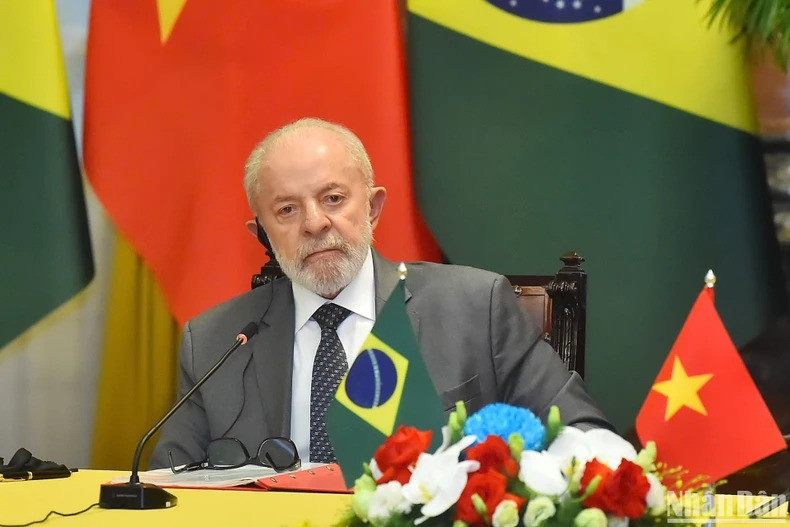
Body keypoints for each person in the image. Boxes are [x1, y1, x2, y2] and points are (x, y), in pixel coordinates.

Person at [150, 118, 610, 469]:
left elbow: (582, 433)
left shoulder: (475, 307)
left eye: (333, 199)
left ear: (372, 209)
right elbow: (169, 485)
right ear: (262, 235)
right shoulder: (214, 341)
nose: (314, 223)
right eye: (287, 209)